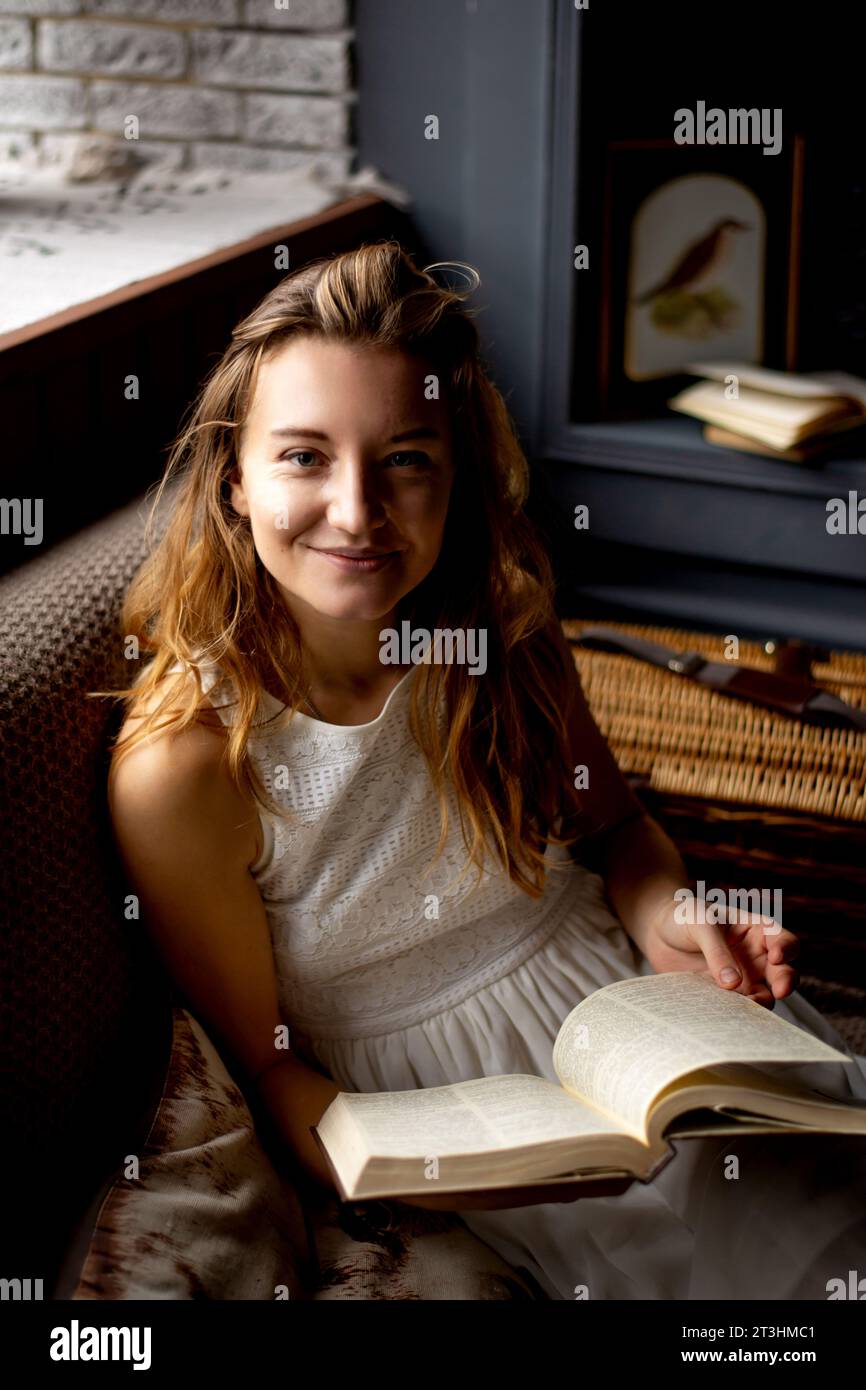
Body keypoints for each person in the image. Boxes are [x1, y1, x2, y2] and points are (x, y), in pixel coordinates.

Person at [105, 241, 866, 1301]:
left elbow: (616, 833)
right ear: (233, 478)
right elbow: (271, 1064)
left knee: (828, 1221)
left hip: (638, 1018)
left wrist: (669, 913)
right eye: (303, 456)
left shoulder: (494, 629)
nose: (359, 509)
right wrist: (402, 1170)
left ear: (456, 475)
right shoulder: (187, 766)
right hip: (457, 1112)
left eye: (405, 458)